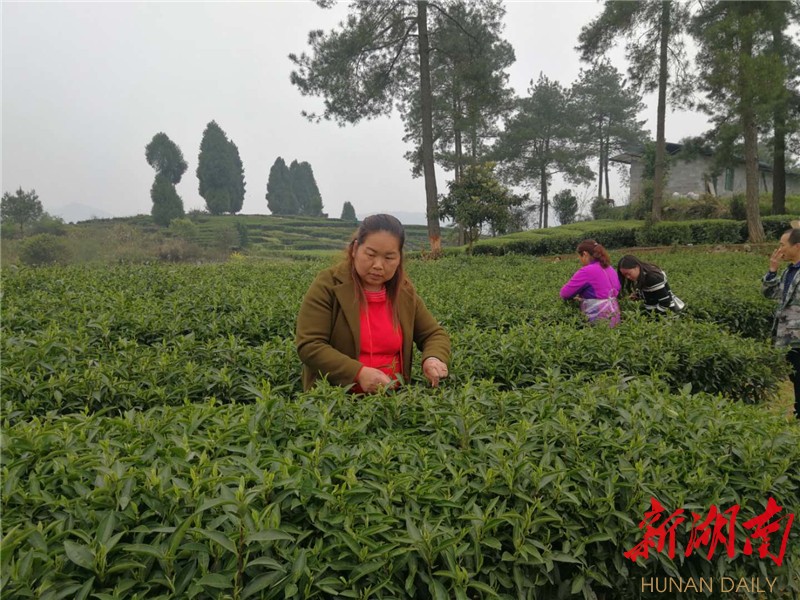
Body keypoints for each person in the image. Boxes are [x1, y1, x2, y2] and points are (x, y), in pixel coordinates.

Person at [296, 213, 451, 393]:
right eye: (371, 254)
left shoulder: (404, 292)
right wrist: (358, 373)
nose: (378, 265)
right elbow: (310, 345)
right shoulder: (328, 285)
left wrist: (433, 358)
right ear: (355, 249)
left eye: (389, 258)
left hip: (392, 403)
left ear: (399, 258)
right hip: (336, 400)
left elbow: (433, 334)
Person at [762, 228, 800, 419]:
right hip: (789, 337)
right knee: (795, 376)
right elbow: (771, 294)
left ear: (797, 246)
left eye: (782, 245)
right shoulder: (789, 272)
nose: (779, 249)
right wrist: (772, 270)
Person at [560, 239, 621, 327]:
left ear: (585, 254)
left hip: (598, 316)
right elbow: (617, 288)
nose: (580, 260)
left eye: (579, 257)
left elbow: (565, 293)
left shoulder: (587, 271)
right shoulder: (609, 268)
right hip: (615, 315)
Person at [617, 255, 685, 314]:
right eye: (625, 275)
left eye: (628, 273)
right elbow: (651, 292)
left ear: (637, 267)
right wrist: (637, 295)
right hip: (656, 313)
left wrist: (652, 317)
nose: (627, 277)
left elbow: (666, 303)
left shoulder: (652, 278)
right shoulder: (642, 275)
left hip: (666, 315)